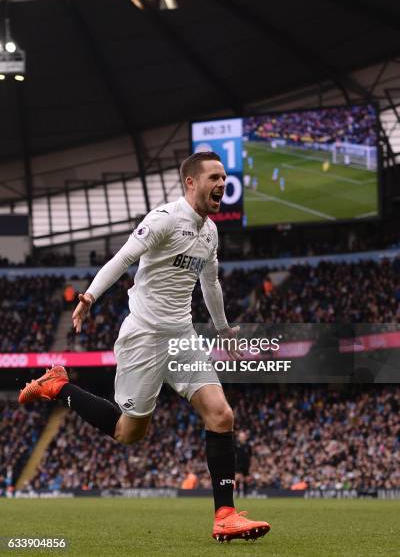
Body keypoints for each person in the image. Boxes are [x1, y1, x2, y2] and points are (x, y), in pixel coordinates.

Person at [19, 151, 270, 543]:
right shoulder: (165, 219)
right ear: (191, 182)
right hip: (144, 338)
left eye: (224, 177)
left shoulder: (211, 232)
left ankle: (225, 514)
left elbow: (211, 284)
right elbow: (122, 259)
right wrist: (89, 296)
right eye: (214, 178)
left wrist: (222, 329)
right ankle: (59, 385)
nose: (222, 184)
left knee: (221, 415)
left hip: (183, 337)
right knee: (128, 433)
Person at [235, 430, 252, 498]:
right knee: (237, 478)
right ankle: (238, 493)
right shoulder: (236, 444)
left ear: (245, 437)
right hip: (238, 464)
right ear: (239, 437)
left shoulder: (248, 445)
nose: (241, 437)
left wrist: (250, 465)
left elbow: (250, 456)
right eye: (240, 436)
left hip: (246, 465)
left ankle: (245, 494)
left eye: (243, 436)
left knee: (245, 479)